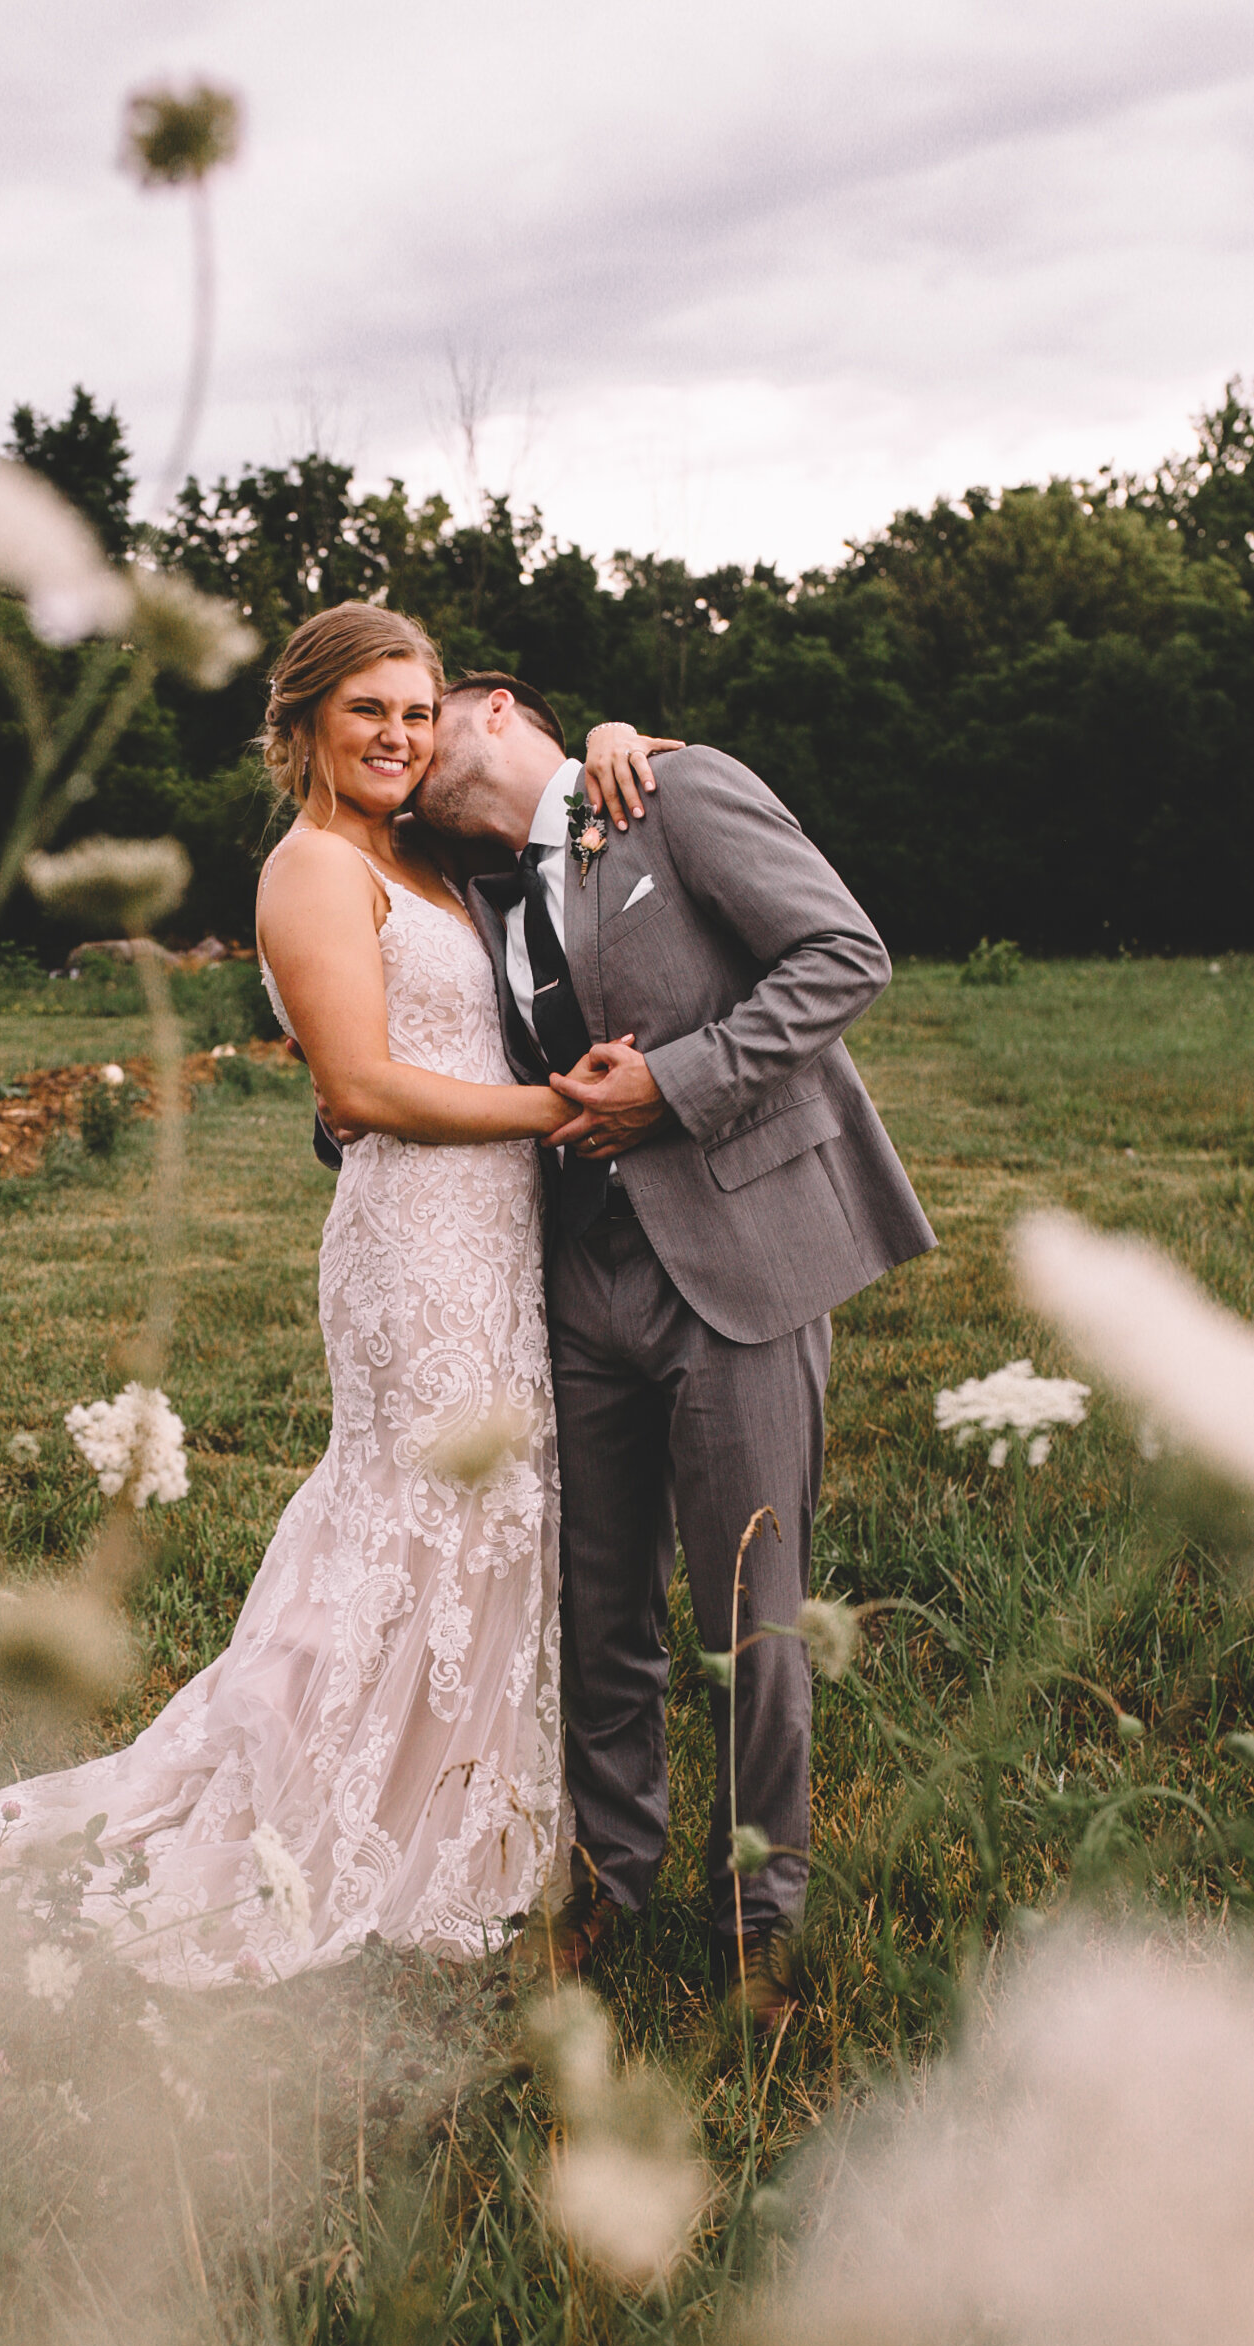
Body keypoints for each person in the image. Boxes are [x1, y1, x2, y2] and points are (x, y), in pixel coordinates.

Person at [0, 604, 652, 1987]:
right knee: (413, 1509)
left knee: (493, 1514)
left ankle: (466, 1815)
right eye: (369, 710)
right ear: (300, 722)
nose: (399, 737)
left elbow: (560, 790)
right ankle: (329, 1818)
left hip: (495, 1233)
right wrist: (554, 1106)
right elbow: (355, 1086)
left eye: (417, 713)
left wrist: (607, 738)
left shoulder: (421, 853)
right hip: (414, 1246)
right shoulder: (311, 869)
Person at [382, 672, 938, 2017]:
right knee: (596, 1606)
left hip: (731, 1265)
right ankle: (607, 1880)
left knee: (750, 1610)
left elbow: (840, 955)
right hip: (575, 1280)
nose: (400, 747)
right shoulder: (464, 890)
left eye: (422, 715)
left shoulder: (671, 791)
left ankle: (761, 1920)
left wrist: (671, 1083)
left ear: (499, 708)